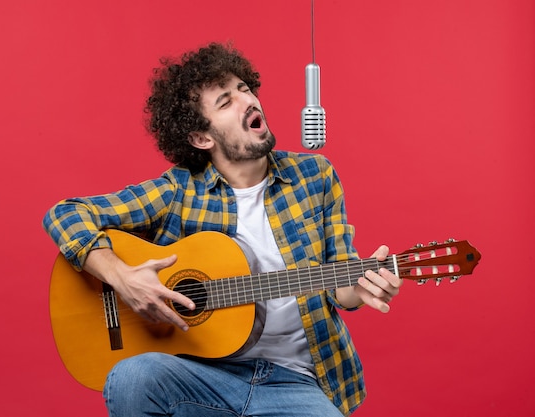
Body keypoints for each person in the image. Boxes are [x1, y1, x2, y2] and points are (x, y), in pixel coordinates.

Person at [43, 42, 402, 417]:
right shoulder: (178, 191)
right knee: (132, 376)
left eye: (245, 89)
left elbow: (341, 288)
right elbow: (65, 214)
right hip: (201, 375)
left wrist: (360, 287)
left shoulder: (316, 176)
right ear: (202, 138)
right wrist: (122, 277)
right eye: (225, 101)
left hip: (296, 381)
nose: (247, 101)